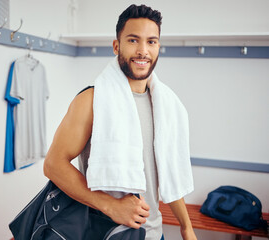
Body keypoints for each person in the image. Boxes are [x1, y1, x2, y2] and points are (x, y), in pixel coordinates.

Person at [44, 4, 197, 240]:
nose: (143, 51)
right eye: (133, 40)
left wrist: (186, 227)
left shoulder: (168, 106)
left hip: (155, 234)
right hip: (105, 233)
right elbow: (53, 164)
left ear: (158, 47)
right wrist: (109, 205)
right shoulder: (92, 100)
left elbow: (168, 173)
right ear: (117, 46)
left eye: (151, 42)